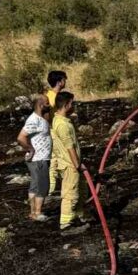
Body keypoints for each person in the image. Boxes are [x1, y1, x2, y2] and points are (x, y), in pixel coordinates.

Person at [50, 91, 87, 232]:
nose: (74, 106)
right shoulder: (62, 125)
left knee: (81, 191)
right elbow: (69, 146)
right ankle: (66, 225)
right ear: (66, 105)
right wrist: (77, 164)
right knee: (70, 195)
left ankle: (79, 216)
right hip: (70, 165)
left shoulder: (62, 120)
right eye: (72, 103)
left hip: (73, 163)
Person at [17, 94, 52, 222]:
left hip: (41, 157)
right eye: (47, 103)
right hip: (38, 158)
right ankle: (37, 212)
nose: (49, 105)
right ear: (41, 104)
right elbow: (21, 137)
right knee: (42, 185)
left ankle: (33, 212)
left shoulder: (41, 118)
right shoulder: (34, 120)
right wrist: (30, 148)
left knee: (35, 185)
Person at [45, 70, 67, 197]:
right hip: (55, 132)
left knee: (55, 160)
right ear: (59, 82)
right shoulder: (51, 98)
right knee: (58, 160)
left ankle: (52, 187)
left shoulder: (51, 95)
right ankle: (53, 188)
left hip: (55, 131)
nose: (65, 82)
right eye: (64, 80)